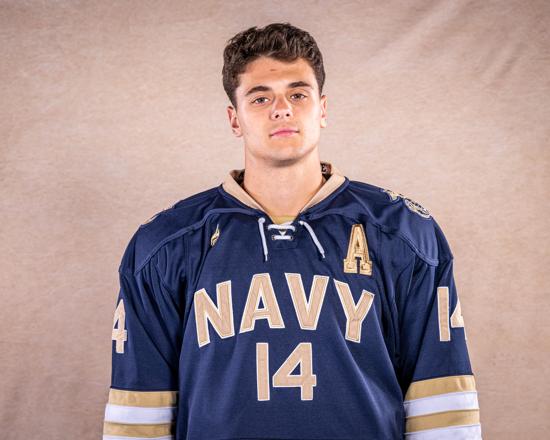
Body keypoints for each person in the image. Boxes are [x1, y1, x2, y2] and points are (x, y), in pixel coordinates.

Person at [102, 22, 482, 440]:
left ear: (322, 109)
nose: (281, 109)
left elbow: (443, 409)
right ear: (234, 119)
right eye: (260, 97)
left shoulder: (404, 232)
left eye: (297, 94)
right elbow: (139, 418)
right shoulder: (164, 244)